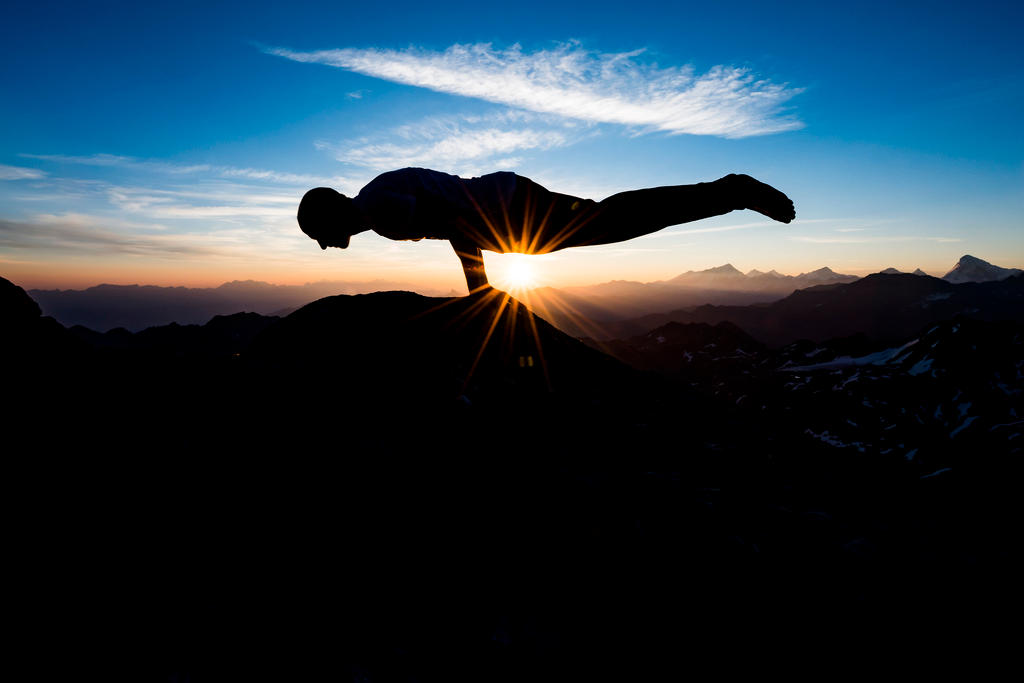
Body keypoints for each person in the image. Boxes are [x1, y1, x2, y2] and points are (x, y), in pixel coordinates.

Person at [297, 168, 795, 293]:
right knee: (613, 221)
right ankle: (728, 194)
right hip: (510, 209)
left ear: (330, 216)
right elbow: (451, 218)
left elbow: (453, 224)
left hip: (512, 214)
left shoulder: (379, 210)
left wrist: (480, 292)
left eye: (320, 234)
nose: (325, 245)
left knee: (613, 221)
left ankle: (730, 191)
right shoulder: (376, 196)